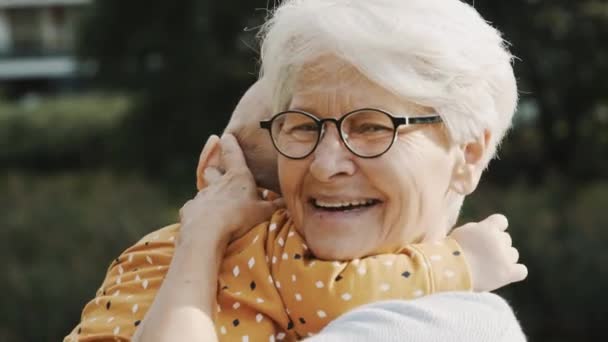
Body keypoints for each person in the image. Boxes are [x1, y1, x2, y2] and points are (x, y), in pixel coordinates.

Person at [66, 0, 527, 340]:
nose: (325, 167)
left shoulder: (440, 328)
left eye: (372, 127)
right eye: (303, 127)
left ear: (467, 156)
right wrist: (460, 263)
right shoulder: (282, 260)